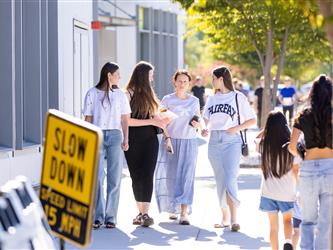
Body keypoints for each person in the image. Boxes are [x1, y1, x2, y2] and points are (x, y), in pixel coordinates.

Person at [201, 66, 256, 231]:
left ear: (221, 79)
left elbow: (252, 120)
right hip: (214, 141)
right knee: (220, 181)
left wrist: (236, 128)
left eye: (213, 78)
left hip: (232, 140)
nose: (212, 81)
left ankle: (234, 219)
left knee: (230, 178)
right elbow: (206, 118)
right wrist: (205, 128)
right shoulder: (212, 98)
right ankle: (224, 216)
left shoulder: (238, 97)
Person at [83, 62, 131, 229]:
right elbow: (88, 119)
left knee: (114, 177)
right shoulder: (91, 93)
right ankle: (98, 216)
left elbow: (125, 118)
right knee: (97, 177)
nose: (120, 77)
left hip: (116, 136)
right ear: (109, 75)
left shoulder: (120, 95)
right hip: (96, 135)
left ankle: (111, 217)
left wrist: (126, 138)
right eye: (118, 74)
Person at [288, 75, 333, 250]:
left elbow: (292, 147)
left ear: (312, 92)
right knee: (325, 223)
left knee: (307, 220)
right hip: (330, 168)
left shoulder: (303, 115)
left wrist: (302, 153)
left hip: (308, 170)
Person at [124, 61, 168, 227]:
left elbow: (155, 116)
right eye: (150, 75)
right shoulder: (127, 93)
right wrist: (150, 121)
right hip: (133, 139)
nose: (152, 78)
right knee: (136, 176)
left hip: (150, 139)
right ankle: (140, 212)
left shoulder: (150, 94)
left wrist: (161, 120)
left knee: (148, 174)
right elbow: (126, 121)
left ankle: (145, 213)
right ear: (142, 75)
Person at [155, 69, 201, 225]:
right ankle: (172, 207)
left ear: (189, 84)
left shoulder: (194, 101)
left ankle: (183, 212)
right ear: (174, 82)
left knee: (187, 176)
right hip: (171, 140)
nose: (182, 84)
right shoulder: (166, 100)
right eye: (179, 81)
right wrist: (166, 137)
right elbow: (161, 120)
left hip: (189, 141)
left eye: (185, 81)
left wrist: (197, 123)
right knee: (171, 176)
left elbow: (197, 119)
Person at [258, 111, 297, 250]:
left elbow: (256, 138)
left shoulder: (263, 146)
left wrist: (266, 130)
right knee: (288, 221)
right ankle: (288, 241)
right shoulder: (290, 148)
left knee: (273, 228)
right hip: (287, 193)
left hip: (268, 193)